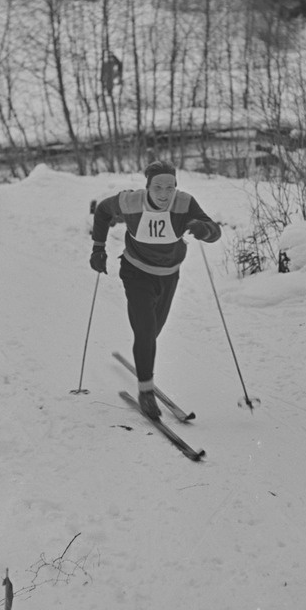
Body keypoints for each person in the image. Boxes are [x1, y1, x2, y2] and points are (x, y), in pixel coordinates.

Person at [90, 160, 221, 419]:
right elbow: (103, 211)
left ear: (176, 187)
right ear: (147, 186)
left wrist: (203, 229)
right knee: (146, 330)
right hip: (136, 272)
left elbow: (214, 233)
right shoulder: (131, 202)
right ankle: (146, 391)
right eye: (158, 187)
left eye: (170, 187)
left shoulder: (184, 203)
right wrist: (98, 248)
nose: (164, 194)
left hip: (168, 276)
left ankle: (143, 355)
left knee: (153, 332)